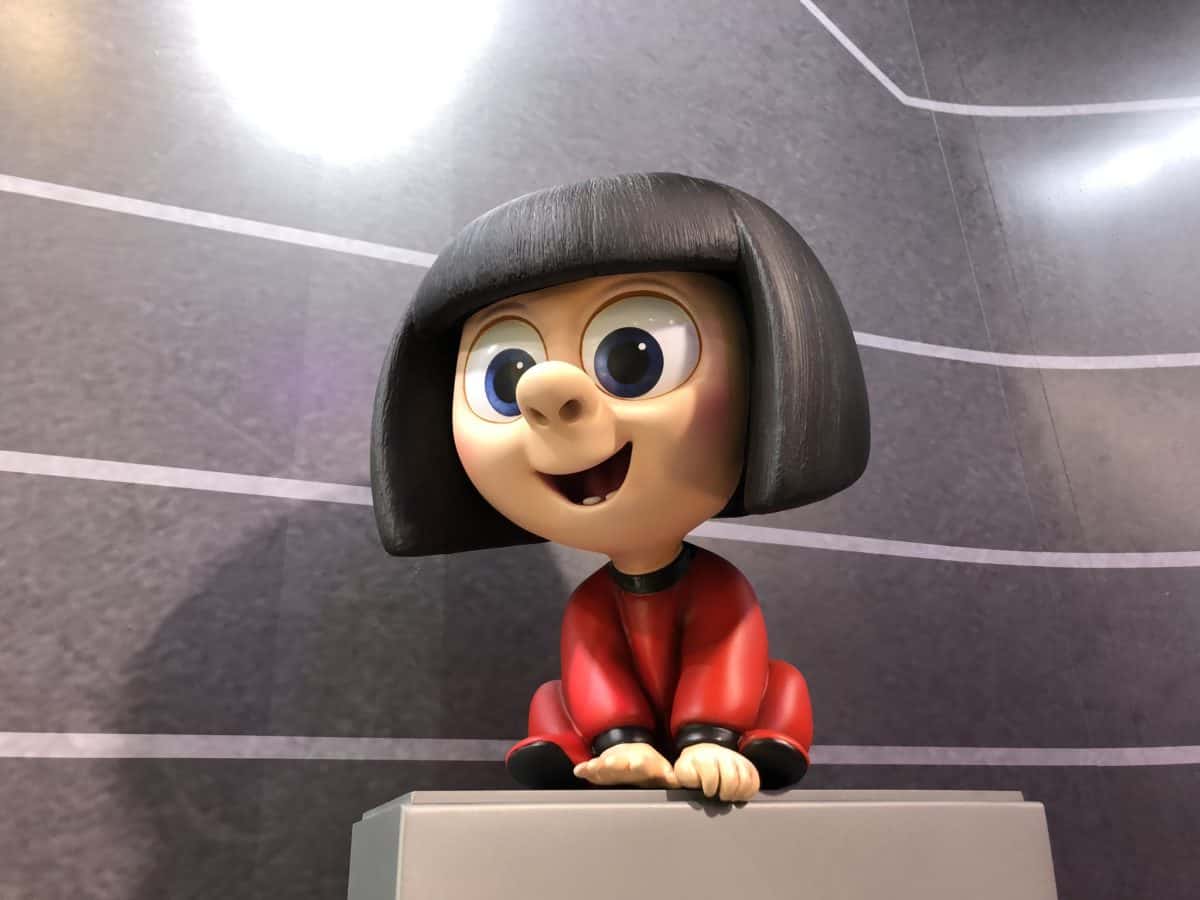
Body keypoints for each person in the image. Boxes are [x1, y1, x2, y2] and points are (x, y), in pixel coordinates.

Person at [371, 173, 870, 802]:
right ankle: (585, 747)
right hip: (618, 738)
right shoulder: (590, 602)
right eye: (503, 377)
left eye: (633, 358)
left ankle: (753, 741)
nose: (543, 391)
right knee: (555, 695)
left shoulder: (719, 586)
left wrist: (708, 739)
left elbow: (726, 655)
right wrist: (620, 738)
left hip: (721, 728)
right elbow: (594, 668)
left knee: (782, 682)